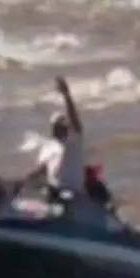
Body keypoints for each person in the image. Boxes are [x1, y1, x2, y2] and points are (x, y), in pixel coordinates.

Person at [25, 75, 86, 208]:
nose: (63, 127)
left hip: (72, 191)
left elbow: (75, 121)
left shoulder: (73, 141)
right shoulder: (48, 147)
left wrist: (66, 95)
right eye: (59, 125)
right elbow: (40, 171)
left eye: (65, 124)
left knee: (63, 197)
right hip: (53, 190)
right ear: (53, 128)